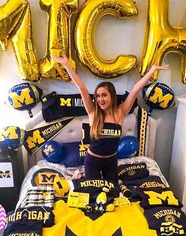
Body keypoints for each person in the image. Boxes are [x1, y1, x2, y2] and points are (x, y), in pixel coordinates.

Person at [52, 55, 169, 184]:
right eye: (97, 96)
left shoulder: (120, 112)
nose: (100, 99)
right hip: (92, 161)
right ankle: (80, 178)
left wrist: (152, 70)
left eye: (104, 95)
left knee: (113, 193)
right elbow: (82, 88)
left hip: (111, 161)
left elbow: (135, 90)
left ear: (112, 96)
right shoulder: (93, 112)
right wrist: (66, 65)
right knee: (94, 195)